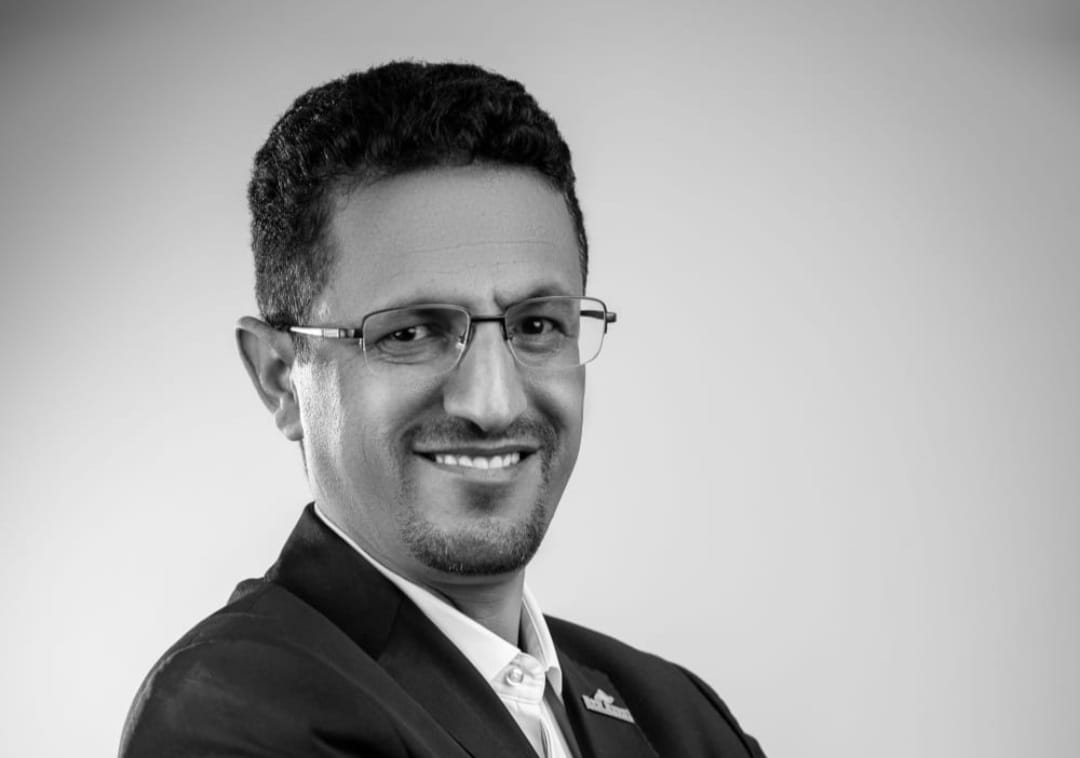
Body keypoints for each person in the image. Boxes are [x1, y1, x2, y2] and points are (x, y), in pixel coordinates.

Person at [120, 61, 766, 758]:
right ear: (280, 378)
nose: (492, 403)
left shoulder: (678, 718)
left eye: (537, 325)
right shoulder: (232, 711)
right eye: (410, 334)